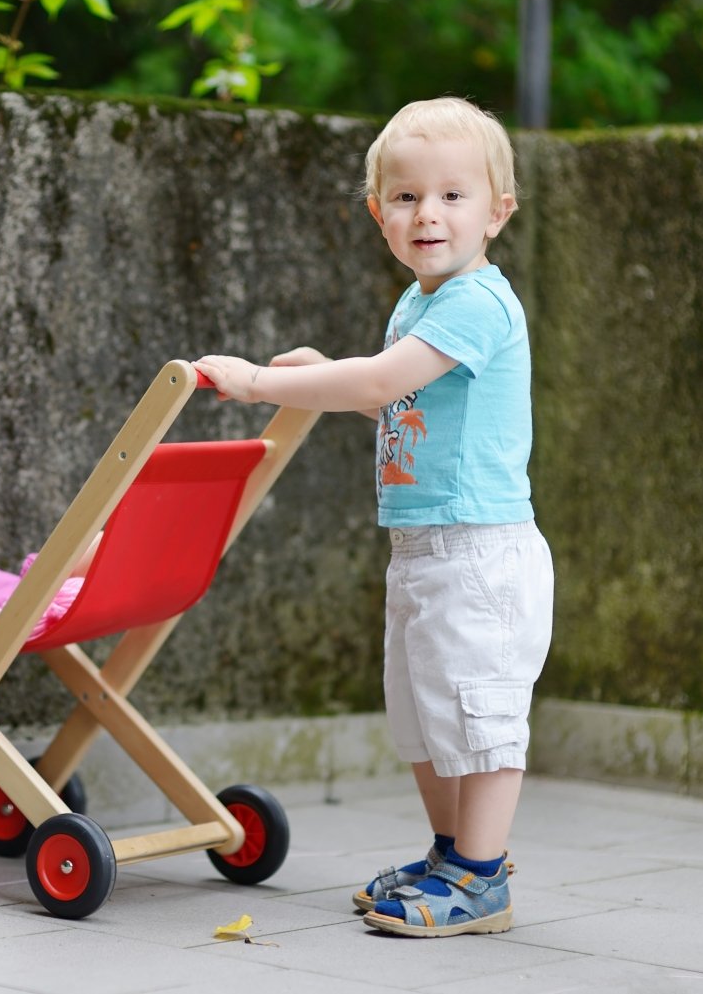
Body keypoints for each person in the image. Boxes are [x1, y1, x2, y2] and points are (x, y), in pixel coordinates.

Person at [194, 96, 553, 938]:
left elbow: (376, 384)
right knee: (424, 715)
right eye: (405, 197)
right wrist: (335, 371)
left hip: (479, 551)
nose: (428, 212)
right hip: (422, 545)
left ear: (498, 210)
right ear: (377, 211)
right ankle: (448, 852)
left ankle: (481, 877)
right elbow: (393, 395)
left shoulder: (477, 302)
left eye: (454, 195)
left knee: (479, 715)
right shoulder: (417, 305)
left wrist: (258, 381)